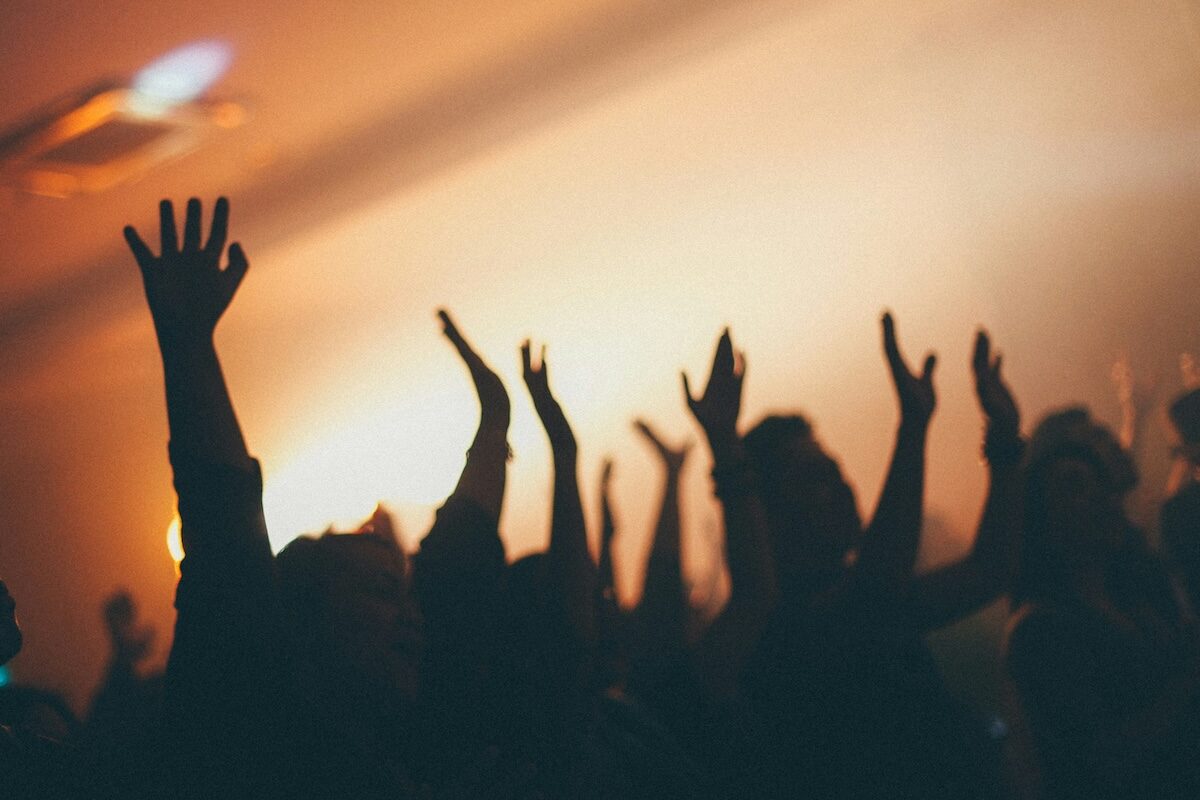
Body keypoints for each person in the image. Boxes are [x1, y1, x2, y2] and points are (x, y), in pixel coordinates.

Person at [736, 316, 1022, 799]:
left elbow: (990, 569)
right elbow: (874, 596)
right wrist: (912, 427)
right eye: (817, 477)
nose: (845, 486)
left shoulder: (854, 594)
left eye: (838, 470)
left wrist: (1004, 437)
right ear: (770, 514)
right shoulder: (776, 626)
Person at [1006, 407, 1200, 799]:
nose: (1100, 497)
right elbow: (1095, 765)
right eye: (1075, 486)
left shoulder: (1135, 599)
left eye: (1100, 484)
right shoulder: (1041, 631)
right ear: (1039, 519)